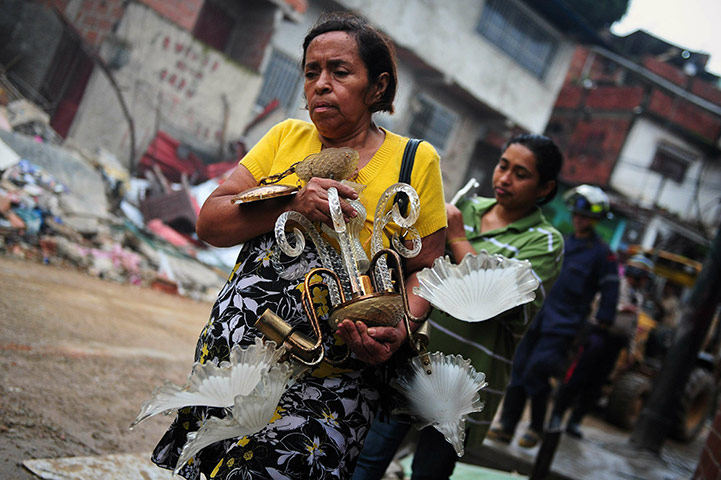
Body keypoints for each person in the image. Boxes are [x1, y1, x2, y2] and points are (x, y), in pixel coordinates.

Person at [150, 12, 447, 480]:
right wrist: (291, 204)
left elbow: (428, 268)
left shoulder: (414, 160)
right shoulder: (286, 137)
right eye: (311, 72)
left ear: (377, 87)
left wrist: (402, 326)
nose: (320, 85)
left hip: (334, 379)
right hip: (241, 362)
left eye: (340, 71)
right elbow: (210, 222)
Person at [353, 134, 565, 480]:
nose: (505, 178)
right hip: (412, 362)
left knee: (429, 473)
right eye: (503, 165)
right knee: (367, 461)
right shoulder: (466, 206)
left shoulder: (544, 241)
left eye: (521, 174)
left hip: (464, 385)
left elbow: (495, 300)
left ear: (545, 188)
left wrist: (457, 237)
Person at [487, 184, 619, 448]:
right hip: (537, 318)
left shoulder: (602, 254)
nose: (579, 220)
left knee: (537, 371)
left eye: (585, 216)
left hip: (565, 326)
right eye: (576, 215)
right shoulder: (562, 243)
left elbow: (611, 288)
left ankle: (536, 428)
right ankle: (507, 427)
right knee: (519, 369)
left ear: (595, 220)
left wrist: (603, 321)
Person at [549, 253, 654, 438]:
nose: (645, 282)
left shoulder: (638, 297)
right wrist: (622, 308)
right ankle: (557, 415)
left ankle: (575, 421)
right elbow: (598, 304)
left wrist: (630, 351)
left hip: (615, 345)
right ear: (636, 274)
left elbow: (632, 326)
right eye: (644, 277)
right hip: (597, 336)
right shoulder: (614, 285)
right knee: (577, 377)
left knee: (596, 384)